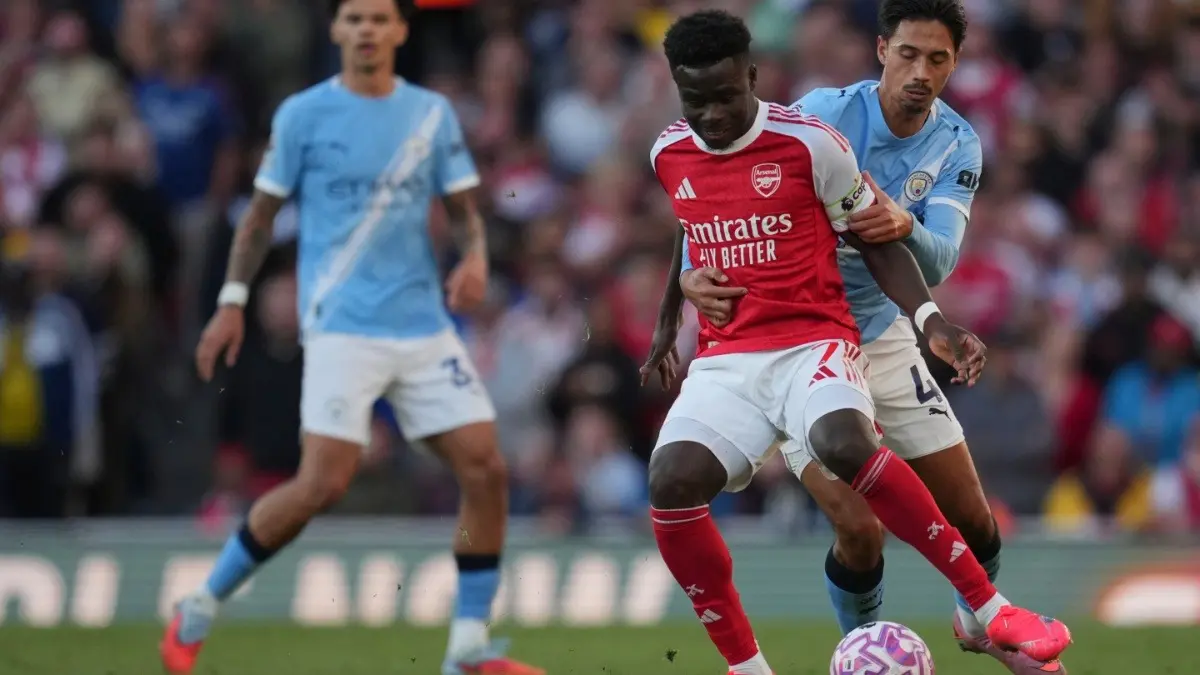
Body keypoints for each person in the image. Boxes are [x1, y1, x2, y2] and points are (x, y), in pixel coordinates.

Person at [642, 10, 1070, 675]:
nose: (920, 73)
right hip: (786, 341)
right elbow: (700, 204)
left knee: (974, 521)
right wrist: (683, 292)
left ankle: (978, 621)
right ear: (881, 50)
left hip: (879, 331)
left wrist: (920, 283)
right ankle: (861, 656)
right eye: (908, 55)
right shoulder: (819, 115)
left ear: (956, 63)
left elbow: (937, 255)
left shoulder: (955, 142)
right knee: (858, 528)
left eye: (937, 60)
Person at [159, 2, 543, 675]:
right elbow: (258, 220)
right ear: (337, 31)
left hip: (422, 325)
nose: (366, 28)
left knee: (485, 468)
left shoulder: (431, 113)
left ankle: (467, 648)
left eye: (379, 18)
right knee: (321, 484)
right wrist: (231, 301)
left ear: (399, 31)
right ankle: (199, 602)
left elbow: (463, 208)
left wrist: (476, 258)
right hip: (341, 325)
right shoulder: (303, 115)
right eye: (354, 17)